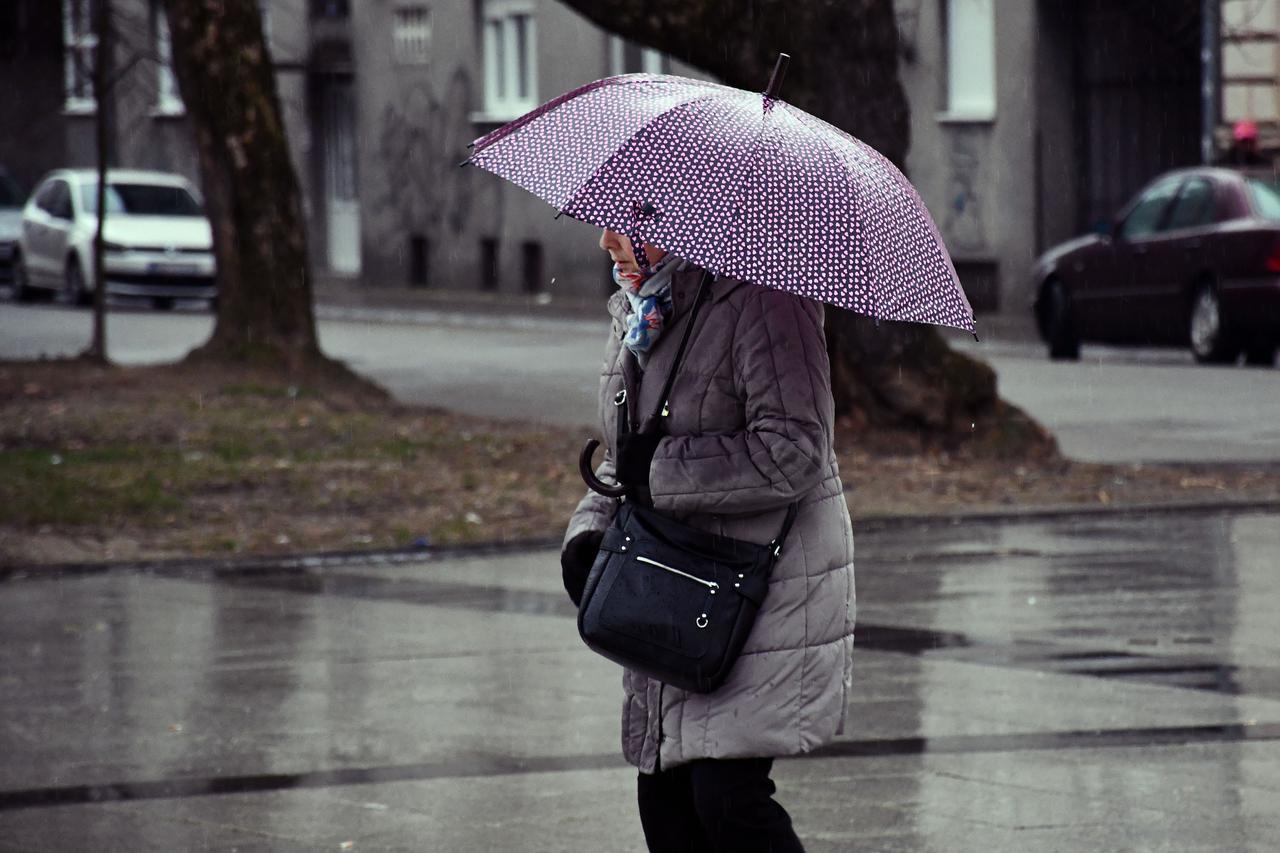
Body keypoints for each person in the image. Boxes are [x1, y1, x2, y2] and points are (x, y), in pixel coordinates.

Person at [560, 229, 856, 852]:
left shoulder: (767, 299)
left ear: (668, 223)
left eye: (625, 222)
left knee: (727, 804)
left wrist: (660, 473)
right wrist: (589, 533)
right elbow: (626, 455)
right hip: (673, 585)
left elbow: (795, 450)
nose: (607, 240)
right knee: (665, 805)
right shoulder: (645, 307)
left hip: (760, 591)